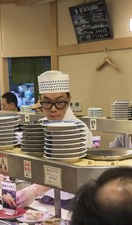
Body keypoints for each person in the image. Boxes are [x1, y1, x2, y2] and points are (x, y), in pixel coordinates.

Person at [16, 70, 93, 207]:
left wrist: (34, 190)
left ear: (69, 100)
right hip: (44, 199)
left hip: (71, 199)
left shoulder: (79, 130)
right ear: (40, 101)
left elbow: (73, 172)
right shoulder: (40, 126)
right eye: (46, 102)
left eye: (59, 102)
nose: (53, 109)